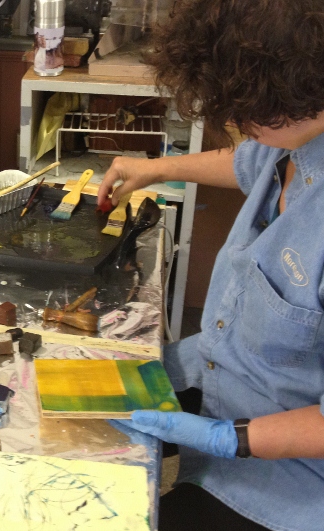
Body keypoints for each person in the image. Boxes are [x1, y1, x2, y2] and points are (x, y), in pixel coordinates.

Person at [98, 1, 324, 530]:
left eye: (248, 113)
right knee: (76, 408)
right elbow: (246, 162)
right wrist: (154, 169)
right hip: (222, 375)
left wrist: (227, 438)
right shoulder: (291, 140)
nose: (234, 125)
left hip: (291, 480)